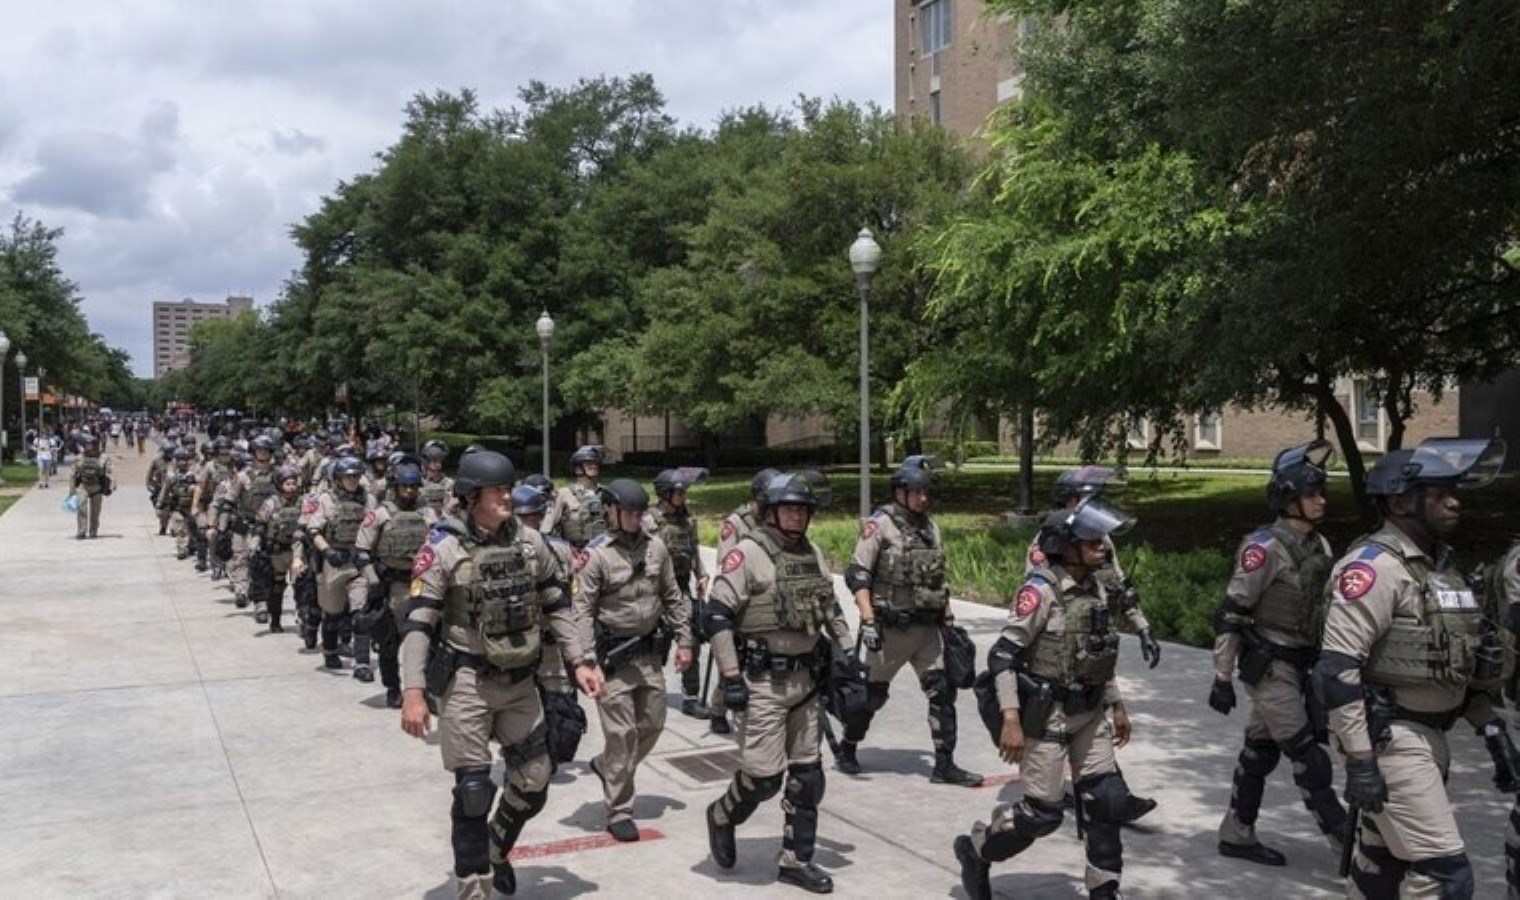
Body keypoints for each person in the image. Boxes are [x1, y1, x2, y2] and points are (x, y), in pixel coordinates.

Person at [1314, 437, 1516, 898]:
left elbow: (1459, 665)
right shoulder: (1374, 567)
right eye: (1440, 491)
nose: (1454, 500)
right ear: (1403, 500)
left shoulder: (1439, 571)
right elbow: (1336, 670)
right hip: (1391, 741)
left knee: (1381, 868)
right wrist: (1362, 760)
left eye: (1455, 491)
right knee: (1446, 876)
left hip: (1430, 738)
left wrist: (1492, 730)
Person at [397, 450, 589, 900]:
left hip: (521, 681)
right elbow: (418, 624)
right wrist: (412, 691)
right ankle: (473, 886)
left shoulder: (529, 543)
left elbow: (557, 603)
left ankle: (497, 845)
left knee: (536, 776)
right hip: (468, 682)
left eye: (507, 488)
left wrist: (580, 660)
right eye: (497, 490)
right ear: (471, 495)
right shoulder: (442, 549)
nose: (507, 496)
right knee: (473, 790)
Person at [955, 500, 1152, 900]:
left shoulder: (1095, 587)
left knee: (1107, 801)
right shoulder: (1040, 591)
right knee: (1041, 816)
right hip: (1050, 719)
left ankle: (1103, 889)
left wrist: (1117, 705)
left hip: (1091, 712)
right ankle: (977, 849)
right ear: (1067, 546)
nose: (1103, 548)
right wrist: (1011, 719)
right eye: (1093, 541)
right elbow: (1002, 656)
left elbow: (1098, 656)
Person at [703, 472, 855, 894]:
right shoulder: (747, 554)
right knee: (763, 779)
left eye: (802, 510)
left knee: (808, 778)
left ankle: (795, 860)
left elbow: (829, 607)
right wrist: (731, 677)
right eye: (788, 509)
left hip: (806, 682)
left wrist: (846, 652)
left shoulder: (813, 553)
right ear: (770, 512)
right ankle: (721, 815)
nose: (795, 516)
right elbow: (715, 616)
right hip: (762, 683)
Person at [1209, 440, 1348, 865]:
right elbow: (1232, 613)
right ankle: (1347, 846)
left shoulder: (1320, 546)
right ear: (1289, 499)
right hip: (1271, 667)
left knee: (1259, 751)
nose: (1320, 500)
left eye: (1321, 492)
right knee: (1307, 755)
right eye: (1311, 494)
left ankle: (1236, 832)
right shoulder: (1263, 549)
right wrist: (1222, 677)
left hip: (1304, 663)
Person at [837, 462, 981, 786]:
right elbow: (858, 574)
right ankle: (848, 746)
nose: (923, 499)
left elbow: (938, 578)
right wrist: (868, 619)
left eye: (926, 492)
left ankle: (945, 764)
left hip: (927, 629)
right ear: (900, 492)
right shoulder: (879, 526)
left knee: (942, 692)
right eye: (917, 492)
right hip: (890, 630)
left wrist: (948, 620)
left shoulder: (930, 528)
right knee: (872, 697)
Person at [574, 478, 693, 841]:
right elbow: (581, 610)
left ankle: (607, 766)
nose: (635, 519)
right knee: (621, 734)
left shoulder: (656, 548)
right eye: (628, 512)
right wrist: (586, 659)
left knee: (653, 724)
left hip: (647, 654)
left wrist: (686, 639)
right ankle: (619, 809)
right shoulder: (595, 555)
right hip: (612, 658)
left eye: (639, 513)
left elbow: (673, 596)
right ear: (610, 511)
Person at [1029, 467, 1162, 669]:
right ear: (1067, 501)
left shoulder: (1101, 539)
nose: (1093, 505)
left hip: (1095, 643)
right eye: (1086, 498)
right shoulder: (1050, 541)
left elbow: (1119, 587)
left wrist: (1143, 629)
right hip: (1059, 647)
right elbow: (1035, 598)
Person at [511, 481, 588, 770]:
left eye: (534, 518)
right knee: (520, 707)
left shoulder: (561, 549)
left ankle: (550, 756)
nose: (530, 525)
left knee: (558, 704)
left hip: (553, 639)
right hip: (518, 642)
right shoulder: (504, 552)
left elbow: (573, 593)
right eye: (525, 519)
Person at [706, 467, 781, 735]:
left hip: (766, 599)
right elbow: (727, 562)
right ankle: (718, 708)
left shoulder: (775, 519)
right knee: (733, 657)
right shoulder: (736, 523)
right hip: (738, 597)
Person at [354, 460, 430, 707]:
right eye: (404, 487)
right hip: (391, 584)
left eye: (414, 487)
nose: (409, 492)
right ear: (394, 487)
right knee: (390, 640)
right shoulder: (380, 515)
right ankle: (392, 687)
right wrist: (374, 581)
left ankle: (424, 689)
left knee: (426, 637)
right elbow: (361, 551)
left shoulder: (428, 514)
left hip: (422, 583)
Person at [295, 456, 374, 673]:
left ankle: (362, 663)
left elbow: (377, 525)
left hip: (358, 562)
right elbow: (313, 531)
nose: (353, 480)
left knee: (361, 614)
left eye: (356, 476)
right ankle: (330, 651)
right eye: (348, 476)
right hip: (333, 563)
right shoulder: (326, 500)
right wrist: (327, 551)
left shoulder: (368, 499)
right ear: (338, 478)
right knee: (332, 613)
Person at [649, 468, 711, 718]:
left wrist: (702, 574)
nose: (683, 496)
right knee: (655, 642)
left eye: (684, 492)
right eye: (678, 492)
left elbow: (694, 550)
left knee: (691, 639)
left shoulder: (687, 519)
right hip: (654, 591)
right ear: (665, 493)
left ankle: (691, 697)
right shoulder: (650, 520)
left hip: (682, 587)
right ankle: (649, 692)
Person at [223, 436, 280, 612]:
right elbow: (228, 503)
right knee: (240, 558)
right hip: (244, 524)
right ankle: (241, 590)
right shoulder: (242, 477)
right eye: (259, 450)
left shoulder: (278, 475)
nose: (262, 454)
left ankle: (260, 603)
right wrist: (221, 529)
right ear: (253, 453)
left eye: (266, 450)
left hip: (267, 527)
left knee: (261, 565)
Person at [249, 466, 305, 634]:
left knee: (302, 586)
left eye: (294, 483)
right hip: (277, 552)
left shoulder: (303, 502)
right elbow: (260, 524)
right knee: (276, 587)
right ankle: (275, 620)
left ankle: (303, 618)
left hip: (297, 550)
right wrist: (255, 542)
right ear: (280, 484)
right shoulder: (271, 503)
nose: (291, 487)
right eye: (287, 483)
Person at [544, 445, 607, 547]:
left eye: (595, 463)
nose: (594, 466)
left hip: (602, 552)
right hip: (573, 553)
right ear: (578, 469)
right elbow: (546, 529)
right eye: (588, 463)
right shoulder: (564, 494)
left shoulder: (606, 493)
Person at [157, 448, 199, 560]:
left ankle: (192, 546)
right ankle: (181, 549)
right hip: (177, 507)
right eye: (180, 460)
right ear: (175, 461)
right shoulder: (171, 476)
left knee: (192, 529)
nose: (183, 463)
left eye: (185, 460)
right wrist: (160, 504)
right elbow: (164, 490)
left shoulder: (194, 475)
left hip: (191, 507)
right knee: (180, 529)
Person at [70, 435, 112, 539]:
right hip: (83, 486)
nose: (91, 448)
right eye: (88, 445)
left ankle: (94, 530)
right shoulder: (79, 458)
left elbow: (109, 473)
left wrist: (110, 486)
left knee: (95, 511)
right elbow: (73, 474)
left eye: (93, 445)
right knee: (82, 508)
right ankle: (81, 530)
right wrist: (71, 490)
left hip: (97, 487)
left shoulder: (104, 458)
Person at [147, 444, 172, 535]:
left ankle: (168, 526)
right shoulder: (156, 460)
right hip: (159, 487)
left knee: (171, 509)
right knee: (161, 511)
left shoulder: (176, 460)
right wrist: (149, 485)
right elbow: (150, 473)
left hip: (172, 488)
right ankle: (163, 524)